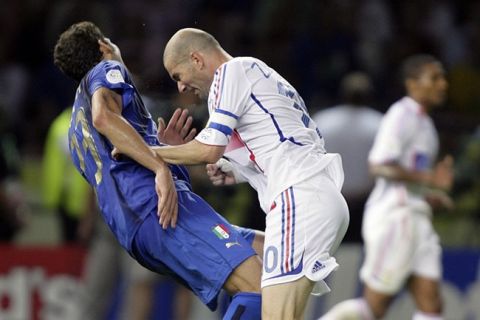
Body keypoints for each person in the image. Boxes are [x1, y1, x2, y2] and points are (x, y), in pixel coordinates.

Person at [53, 21, 263, 320]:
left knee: (270, 256)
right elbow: (104, 118)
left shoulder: (75, 124)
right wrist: (159, 166)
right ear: (103, 46)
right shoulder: (106, 70)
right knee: (258, 285)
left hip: (137, 228)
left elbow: (117, 164)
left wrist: (167, 152)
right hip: (154, 211)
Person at [146, 28, 349, 320]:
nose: (180, 88)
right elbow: (272, 142)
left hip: (299, 198)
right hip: (313, 198)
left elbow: (209, 149)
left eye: (178, 76)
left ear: (196, 59)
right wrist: (233, 171)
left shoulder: (232, 71)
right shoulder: (256, 76)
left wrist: (148, 153)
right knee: (256, 280)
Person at [320, 54, 454, 320]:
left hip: (416, 216)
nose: (443, 84)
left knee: (432, 304)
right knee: (374, 307)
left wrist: (428, 196)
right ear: (412, 83)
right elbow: (379, 165)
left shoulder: (425, 124)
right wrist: (428, 179)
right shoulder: (400, 115)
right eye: (434, 78)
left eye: (443, 78)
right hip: (395, 218)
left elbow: (409, 175)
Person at [312, 72, 382, 243]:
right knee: (361, 254)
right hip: (365, 200)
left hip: (328, 199)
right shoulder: (379, 123)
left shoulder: (322, 121)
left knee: (325, 251)